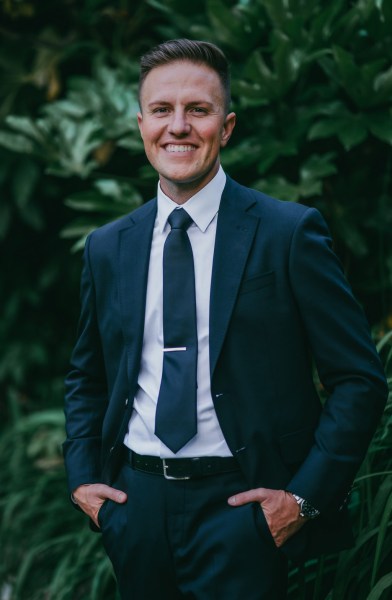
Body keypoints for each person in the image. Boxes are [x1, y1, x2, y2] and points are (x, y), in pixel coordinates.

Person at [63, 39, 388, 599]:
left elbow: (359, 380)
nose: (178, 127)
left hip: (243, 513)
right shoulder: (108, 247)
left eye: (199, 110)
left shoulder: (289, 233)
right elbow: (87, 378)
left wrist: (303, 501)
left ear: (228, 126)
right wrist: (85, 483)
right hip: (134, 510)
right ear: (141, 125)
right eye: (162, 110)